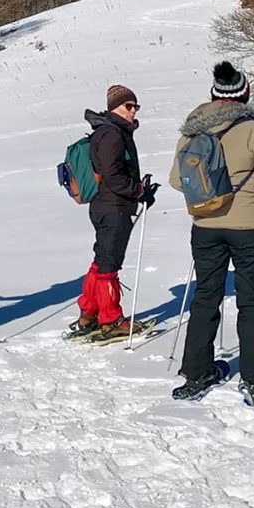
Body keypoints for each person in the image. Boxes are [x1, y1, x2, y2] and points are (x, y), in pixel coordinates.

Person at [169, 62, 254, 407]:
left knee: (206, 296)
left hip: (206, 226)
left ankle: (196, 373)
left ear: (213, 94)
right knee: (251, 300)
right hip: (250, 226)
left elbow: (177, 180)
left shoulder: (192, 132)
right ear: (245, 95)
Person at [69, 84, 158, 342]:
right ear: (114, 108)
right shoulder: (112, 135)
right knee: (109, 265)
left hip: (106, 206)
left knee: (102, 260)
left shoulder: (109, 132)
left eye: (135, 106)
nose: (133, 111)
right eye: (128, 106)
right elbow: (113, 174)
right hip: (113, 207)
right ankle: (111, 320)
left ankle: (88, 314)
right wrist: (138, 190)